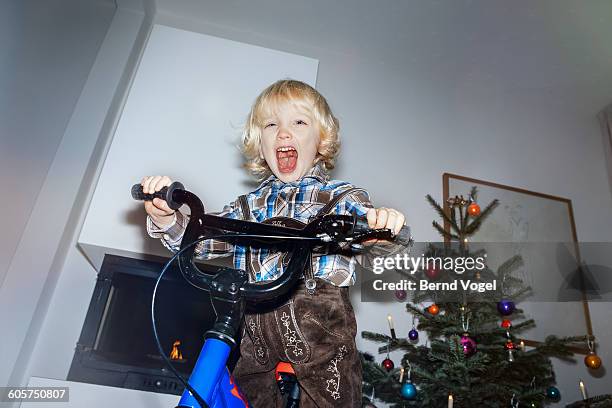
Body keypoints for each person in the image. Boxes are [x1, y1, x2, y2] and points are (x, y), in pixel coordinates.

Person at [141, 79, 407, 407]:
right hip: (257, 340)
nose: (283, 133)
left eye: (298, 122)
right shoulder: (248, 207)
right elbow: (202, 240)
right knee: (243, 393)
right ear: (260, 144)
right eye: (271, 124)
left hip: (321, 337)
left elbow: (368, 231)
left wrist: (380, 227)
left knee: (332, 396)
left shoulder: (339, 196)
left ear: (321, 141)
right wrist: (169, 219)